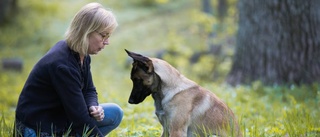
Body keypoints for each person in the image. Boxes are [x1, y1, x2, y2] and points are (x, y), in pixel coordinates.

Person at [14, 2, 123, 137]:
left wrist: (93, 105)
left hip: (61, 118)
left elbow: (89, 89)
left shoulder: (82, 54)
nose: (107, 42)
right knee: (85, 126)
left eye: (108, 36)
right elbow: (81, 121)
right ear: (86, 31)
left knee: (115, 113)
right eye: (103, 35)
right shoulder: (63, 66)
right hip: (38, 129)